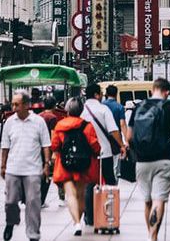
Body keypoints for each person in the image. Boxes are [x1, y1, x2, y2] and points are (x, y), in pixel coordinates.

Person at [127, 78, 170, 241]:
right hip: (164, 159)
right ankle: (153, 236)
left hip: (142, 160)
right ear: (167, 92)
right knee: (159, 200)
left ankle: (151, 234)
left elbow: (129, 136)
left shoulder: (139, 107)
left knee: (147, 201)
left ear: (152, 89)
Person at [1, 91, 51, 241]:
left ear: (26, 105)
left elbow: (46, 145)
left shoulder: (39, 122)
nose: (14, 107)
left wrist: (46, 164)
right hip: (13, 168)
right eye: (13, 104)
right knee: (10, 201)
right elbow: (5, 146)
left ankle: (33, 234)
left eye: (17, 104)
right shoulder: (9, 122)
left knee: (33, 203)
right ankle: (11, 222)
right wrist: (2, 165)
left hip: (33, 169)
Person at [50, 97, 101, 236]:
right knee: (80, 195)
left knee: (71, 195)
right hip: (83, 165)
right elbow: (95, 145)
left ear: (67, 109)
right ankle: (79, 221)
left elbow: (54, 145)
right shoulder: (87, 125)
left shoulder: (60, 126)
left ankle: (77, 223)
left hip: (65, 165)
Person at [81, 83, 125, 225]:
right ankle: (109, 213)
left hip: (86, 154)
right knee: (110, 182)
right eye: (99, 93)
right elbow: (113, 130)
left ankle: (89, 217)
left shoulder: (81, 110)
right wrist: (122, 145)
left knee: (89, 183)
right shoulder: (103, 109)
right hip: (104, 152)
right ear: (96, 95)